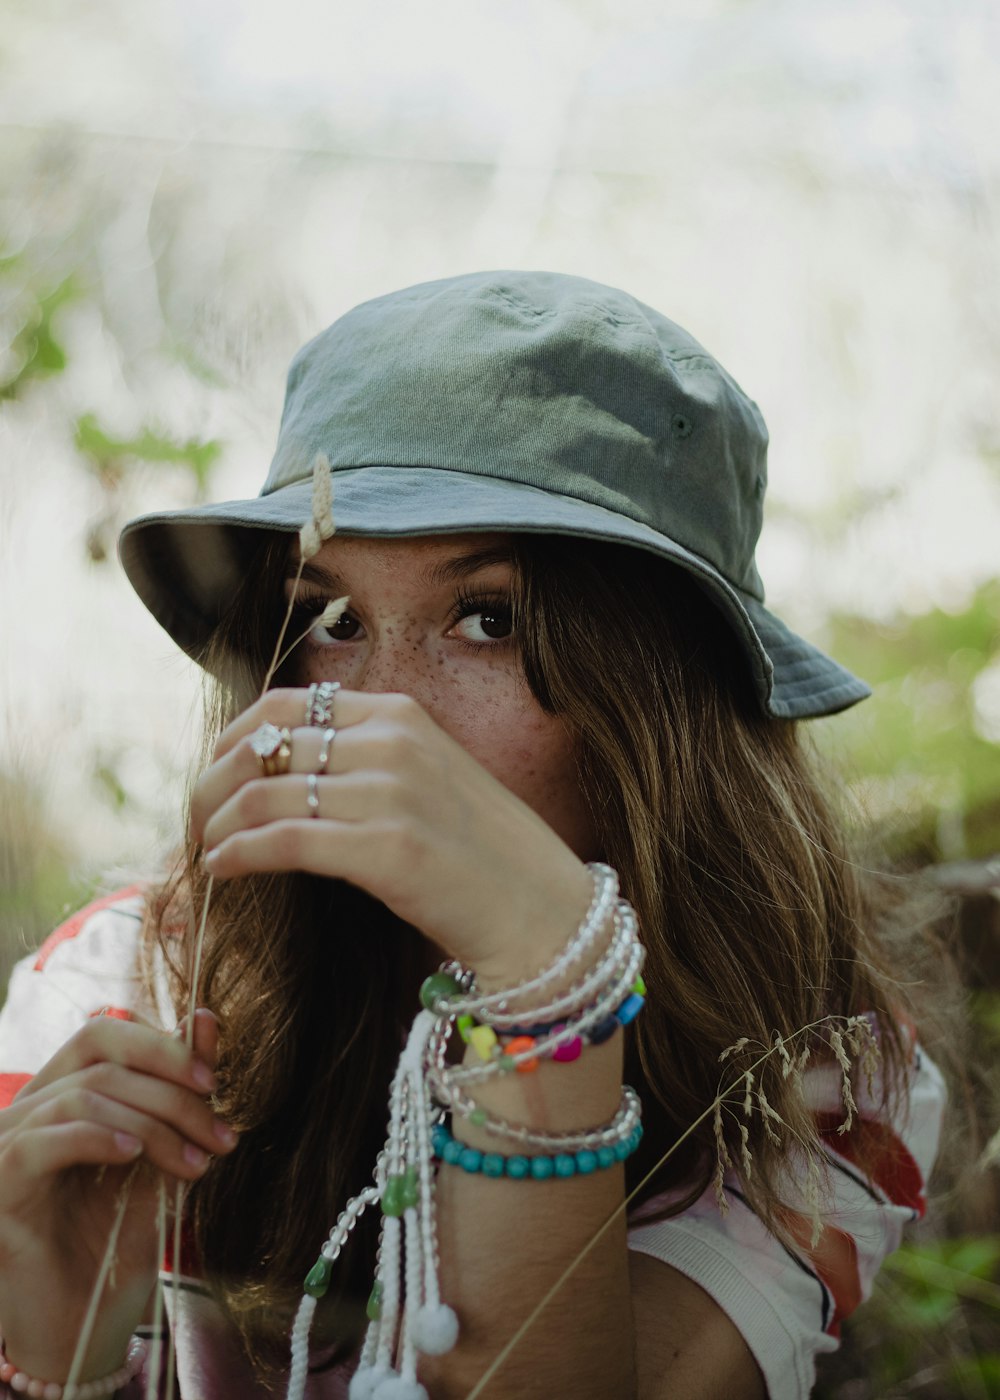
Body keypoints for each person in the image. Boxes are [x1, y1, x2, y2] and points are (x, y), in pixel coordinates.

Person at [0, 271, 945, 1400]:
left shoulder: (818, 1071)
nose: (374, 707)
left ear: (662, 700)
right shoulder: (120, 987)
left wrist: (551, 976)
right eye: (330, 619)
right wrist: (66, 1363)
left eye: (488, 618)